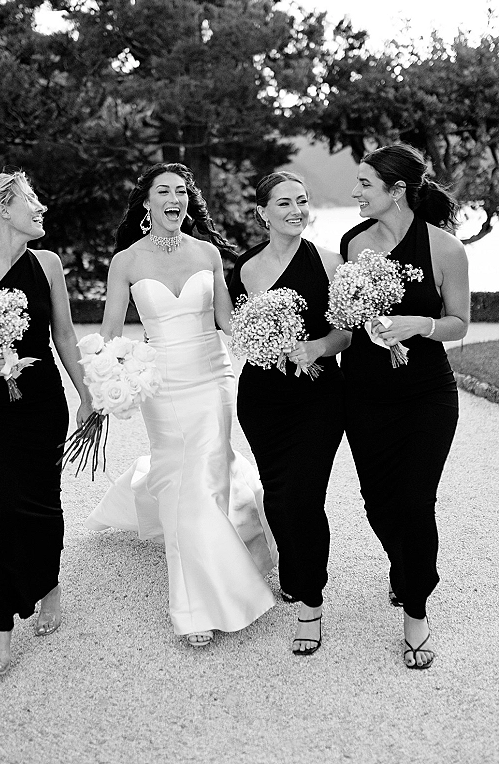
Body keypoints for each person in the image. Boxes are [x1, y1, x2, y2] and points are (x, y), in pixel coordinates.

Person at [85, 162, 277, 646]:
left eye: (182, 191)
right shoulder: (126, 261)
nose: (175, 198)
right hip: (161, 385)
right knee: (181, 480)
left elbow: (226, 320)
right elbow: (111, 334)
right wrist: (108, 380)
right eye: (163, 190)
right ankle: (213, 585)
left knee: (206, 475)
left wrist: (272, 339)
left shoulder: (208, 252)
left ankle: (198, 603)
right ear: (147, 202)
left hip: (213, 377)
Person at [0, 171, 92, 676]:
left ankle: (48, 585)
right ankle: (2, 622)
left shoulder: (47, 264)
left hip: (42, 401)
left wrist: (87, 394)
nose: (42, 209)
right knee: (4, 510)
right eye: (33, 201)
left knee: (45, 503)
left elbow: (66, 338)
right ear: (5, 209)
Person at [340, 143, 469, 670]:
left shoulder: (444, 249)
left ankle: (416, 608)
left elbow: (459, 324)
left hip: (426, 396)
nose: (355, 193)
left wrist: (420, 325)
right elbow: (348, 319)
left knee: (415, 501)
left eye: (365, 184)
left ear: (397, 191)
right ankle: (407, 564)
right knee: (377, 501)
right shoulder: (353, 244)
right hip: (365, 394)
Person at [228, 171, 351, 655]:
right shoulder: (243, 269)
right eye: (284, 203)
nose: (296, 210)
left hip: (319, 397)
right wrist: (263, 343)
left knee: (302, 496)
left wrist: (317, 346)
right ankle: (297, 575)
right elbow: (235, 332)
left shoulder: (327, 261)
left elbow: (346, 333)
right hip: (261, 401)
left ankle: (311, 601)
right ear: (263, 213)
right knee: (278, 500)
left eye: (302, 201)